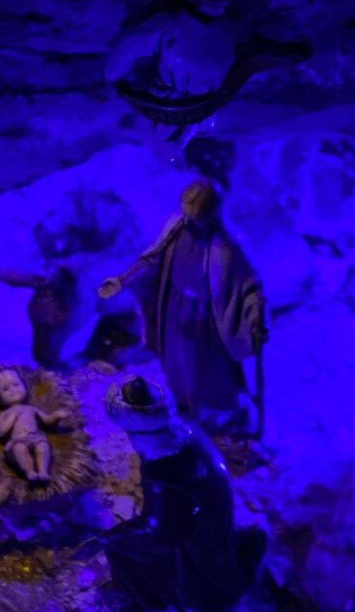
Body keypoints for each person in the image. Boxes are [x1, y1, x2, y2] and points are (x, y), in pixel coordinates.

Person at [96, 180, 266, 432]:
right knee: (177, 363)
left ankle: (222, 416)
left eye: (195, 218)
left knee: (210, 370)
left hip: (209, 318)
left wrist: (256, 315)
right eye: (186, 215)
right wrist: (122, 280)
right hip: (175, 308)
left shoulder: (228, 244)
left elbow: (250, 283)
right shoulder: (176, 228)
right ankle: (186, 408)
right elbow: (151, 257)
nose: (189, 221)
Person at [102, 374, 264, 612]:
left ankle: (147, 605)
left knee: (119, 550)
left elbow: (162, 534)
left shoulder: (163, 469)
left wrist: (110, 538)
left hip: (201, 554)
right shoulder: (188, 430)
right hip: (217, 526)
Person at [0, 365, 73, 484]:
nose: (13, 390)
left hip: (35, 436)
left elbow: (46, 420)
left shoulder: (31, 409)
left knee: (43, 447)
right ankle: (29, 472)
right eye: (5, 389)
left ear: (24, 386)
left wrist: (56, 416)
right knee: (19, 450)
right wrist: (13, 417)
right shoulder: (5, 414)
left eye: (16, 384)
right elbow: (1, 432)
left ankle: (43, 471)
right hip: (18, 440)